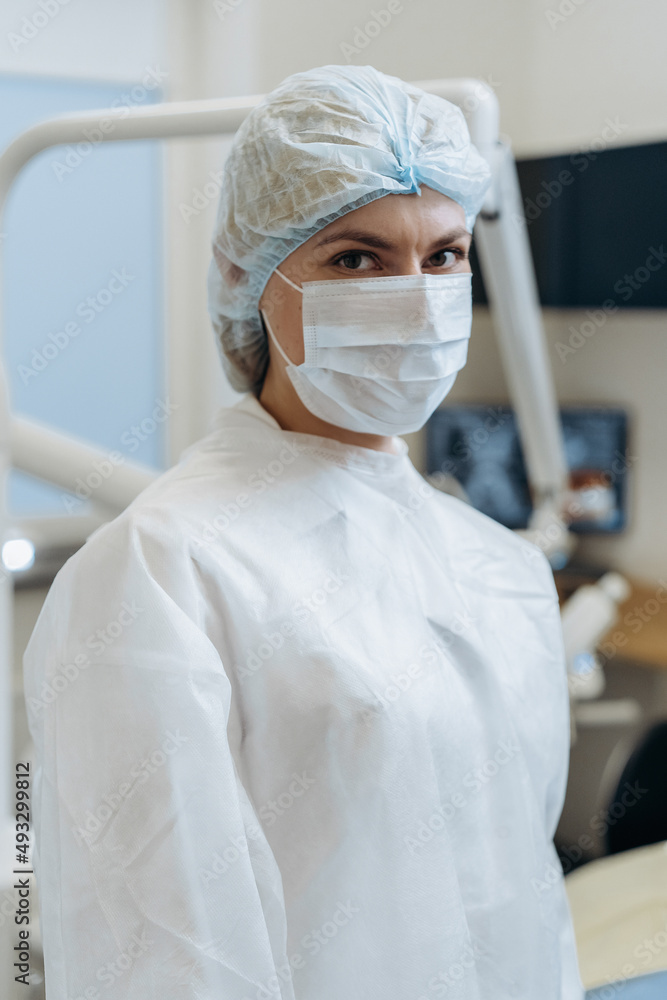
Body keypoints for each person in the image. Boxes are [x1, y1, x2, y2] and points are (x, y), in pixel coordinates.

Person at [23, 65, 586, 999]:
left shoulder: (498, 566)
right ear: (248, 277)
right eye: (356, 259)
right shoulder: (161, 570)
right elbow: (167, 954)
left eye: (443, 255)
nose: (415, 297)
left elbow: (524, 904)